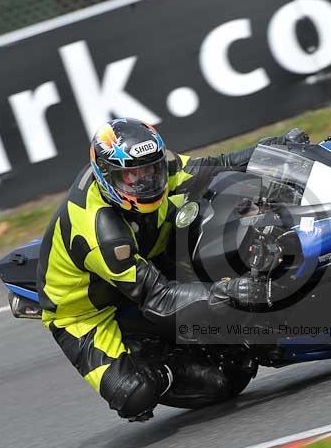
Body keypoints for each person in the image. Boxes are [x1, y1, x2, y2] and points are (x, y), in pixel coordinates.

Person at [36, 117, 309, 421]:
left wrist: (273, 149)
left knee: (212, 207)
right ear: (108, 177)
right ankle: (157, 362)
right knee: (134, 395)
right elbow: (160, 297)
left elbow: (215, 165)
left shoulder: (160, 169)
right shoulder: (101, 231)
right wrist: (228, 291)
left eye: (151, 170)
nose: (146, 182)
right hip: (90, 311)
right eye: (132, 177)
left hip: (148, 256)